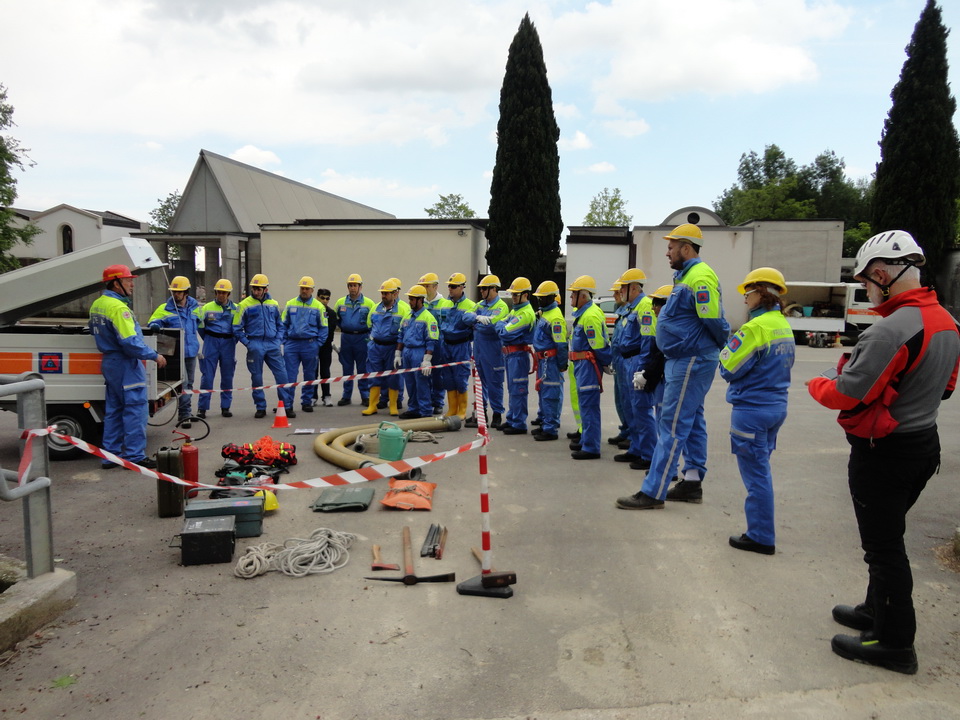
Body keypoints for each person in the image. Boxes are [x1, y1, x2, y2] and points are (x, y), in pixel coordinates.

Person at [807, 231, 959, 675]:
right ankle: (876, 611)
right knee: (888, 538)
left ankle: (894, 643)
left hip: (884, 456)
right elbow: (946, 389)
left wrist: (818, 383)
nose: (866, 290)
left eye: (865, 282)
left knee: (884, 548)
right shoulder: (948, 322)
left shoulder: (889, 331)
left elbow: (846, 395)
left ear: (881, 274)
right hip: (923, 446)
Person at [617, 223, 729, 508]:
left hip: (690, 359)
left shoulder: (699, 277)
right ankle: (691, 482)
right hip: (686, 358)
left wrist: (711, 347)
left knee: (672, 424)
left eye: (671, 247)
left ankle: (653, 491)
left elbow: (714, 320)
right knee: (692, 420)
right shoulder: (687, 277)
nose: (667, 252)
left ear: (686, 248)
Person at [718, 268, 795, 555]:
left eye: (748, 293)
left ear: (761, 293)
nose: (745, 299)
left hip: (752, 409)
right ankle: (761, 531)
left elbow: (728, 367)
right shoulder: (783, 325)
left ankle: (761, 536)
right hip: (776, 406)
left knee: (756, 476)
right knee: (761, 469)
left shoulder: (755, 328)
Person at [88, 264, 165, 469]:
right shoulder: (119, 308)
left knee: (114, 410)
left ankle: (110, 456)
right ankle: (134, 456)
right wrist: (154, 355)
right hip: (126, 364)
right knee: (135, 410)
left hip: (110, 363)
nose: (132, 284)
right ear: (116, 283)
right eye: (128, 280)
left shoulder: (97, 304)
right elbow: (130, 342)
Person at [610, 269, 655, 467]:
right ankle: (636, 448)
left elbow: (648, 338)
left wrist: (643, 367)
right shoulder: (631, 308)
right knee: (630, 407)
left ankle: (648, 455)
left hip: (637, 360)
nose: (620, 291)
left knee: (641, 409)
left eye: (623, 287)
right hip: (627, 360)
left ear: (634, 288)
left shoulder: (644, 306)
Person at [479, 277, 535, 434]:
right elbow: (500, 324)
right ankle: (512, 419)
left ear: (525, 295)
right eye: (512, 294)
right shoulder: (516, 310)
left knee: (518, 389)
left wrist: (501, 325)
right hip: (511, 355)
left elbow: (504, 331)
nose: (513, 297)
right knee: (512, 389)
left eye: (516, 294)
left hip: (518, 355)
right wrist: (501, 325)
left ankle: (519, 423)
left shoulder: (525, 313)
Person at [233, 273, 294, 418]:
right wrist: (248, 343)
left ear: (266, 289)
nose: (256, 292)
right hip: (255, 343)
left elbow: (280, 325)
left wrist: (278, 340)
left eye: (259, 289)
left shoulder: (273, 304)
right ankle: (260, 407)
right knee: (257, 377)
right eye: (254, 289)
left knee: (282, 375)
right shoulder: (244, 305)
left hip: (272, 343)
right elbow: (236, 327)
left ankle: (286, 406)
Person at [565, 275, 613, 459]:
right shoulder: (584, 314)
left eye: (574, 294)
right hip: (583, 365)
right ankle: (587, 440)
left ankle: (591, 447)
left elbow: (598, 345)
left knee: (589, 406)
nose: (571, 297)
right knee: (585, 405)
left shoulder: (590, 315)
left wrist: (604, 362)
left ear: (583, 296)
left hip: (588, 366)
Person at [148, 275, 201, 426]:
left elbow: (200, 324)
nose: (176, 294)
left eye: (179, 291)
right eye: (174, 291)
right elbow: (153, 322)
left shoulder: (195, 307)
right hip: (177, 354)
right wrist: (155, 325)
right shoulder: (165, 308)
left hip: (191, 352)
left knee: (190, 383)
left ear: (186, 292)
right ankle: (184, 415)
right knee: (184, 384)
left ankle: (186, 411)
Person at [466, 274, 508, 429]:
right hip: (479, 349)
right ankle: (481, 413)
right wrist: (477, 319)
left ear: (494, 289)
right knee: (479, 382)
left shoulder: (501, 307)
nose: (482, 291)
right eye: (481, 289)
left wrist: (476, 323)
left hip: (493, 349)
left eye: (484, 288)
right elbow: (465, 317)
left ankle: (497, 414)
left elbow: (490, 325)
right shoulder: (480, 305)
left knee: (494, 382)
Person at [282, 276, 329, 413]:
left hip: (310, 344)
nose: (304, 291)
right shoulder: (290, 304)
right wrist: (284, 341)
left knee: (309, 375)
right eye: (302, 288)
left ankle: (307, 401)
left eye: (307, 289)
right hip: (292, 344)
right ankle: (288, 403)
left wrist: (317, 344)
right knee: (290, 375)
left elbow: (324, 327)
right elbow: (283, 324)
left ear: (312, 290)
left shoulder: (318, 306)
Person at [364, 279, 409, 416]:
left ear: (395, 294)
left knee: (393, 377)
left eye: (386, 293)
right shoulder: (375, 308)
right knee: (374, 376)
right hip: (376, 347)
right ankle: (372, 405)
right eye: (382, 293)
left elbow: (405, 331)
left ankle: (393, 405)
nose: (383, 296)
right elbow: (369, 325)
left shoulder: (403, 310)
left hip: (392, 348)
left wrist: (399, 351)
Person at [530, 281, 567, 441]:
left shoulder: (555, 318)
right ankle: (546, 422)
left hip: (550, 361)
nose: (540, 300)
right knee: (544, 393)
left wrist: (561, 364)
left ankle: (550, 428)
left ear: (551, 297)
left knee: (551, 394)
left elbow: (561, 344)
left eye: (542, 298)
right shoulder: (546, 314)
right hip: (543, 360)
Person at [436, 272, 476, 419]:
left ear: (462, 287)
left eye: (453, 286)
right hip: (446, 344)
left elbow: (473, 329)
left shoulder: (471, 306)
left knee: (460, 378)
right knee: (448, 378)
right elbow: (441, 324)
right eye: (449, 286)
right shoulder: (444, 304)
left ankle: (462, 410)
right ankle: (452, 409)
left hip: (461, 346)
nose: (450, 289)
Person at [196, 278, 238, 419]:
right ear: (215, 293)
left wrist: (232, 340)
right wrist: (209, 339)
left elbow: (239, 327)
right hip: (211, 341)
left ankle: (225, 407)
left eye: (224, 293)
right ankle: (202, 408)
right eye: (219, 292)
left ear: (228, 294)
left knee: (227, 376)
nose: (221, 295)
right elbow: (200, 326)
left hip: (228, 343)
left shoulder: (236, 309)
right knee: (207, 377)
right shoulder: (207, 308)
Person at [397, 285, 440, 419]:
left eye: (412, 299)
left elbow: (431, 340)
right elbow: (401, 334)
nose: (410, 302)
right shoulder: (407, 315)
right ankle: (413, 408)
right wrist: (398, 353)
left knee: (422, 383)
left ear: (420, 300)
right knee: (410, 382)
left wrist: (426, 359)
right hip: (407, 352)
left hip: (419, 352)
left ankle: (425, 410)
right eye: (409, 299)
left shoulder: (428, 317)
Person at [333, 273, 375, 406]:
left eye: (355, 285)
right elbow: (335, 319)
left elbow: (374, 321)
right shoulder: (340, 302)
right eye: (350, 285)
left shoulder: (369, 303)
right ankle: (346, 396)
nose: (352, 288)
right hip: (346, 338)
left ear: (360, 287)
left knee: (363, 367)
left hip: (362, 338)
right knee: (347, 368)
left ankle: (365, 395)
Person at [420, 272, 452, 414]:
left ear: (435, 286)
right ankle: (426, 400)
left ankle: (438, 401)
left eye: (427, 286)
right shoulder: (421, 302)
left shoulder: (444, 304)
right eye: (422, 286)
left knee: (438, 374)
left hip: (438, 343)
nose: (424, 289)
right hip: (423, 342)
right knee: (424, 373)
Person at [607, 280, 631, 447]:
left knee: (628, 400)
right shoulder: (622, 313)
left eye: (617, 292)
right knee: (620, 399)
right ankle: (625, 430)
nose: (615, 295)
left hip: (627, 361)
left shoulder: (630, 311)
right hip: (618, 361)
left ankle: (632, 435)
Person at [316, 287, 338, 407]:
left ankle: (326, 395)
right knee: (313, 372)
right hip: (313, 345)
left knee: (325, 371)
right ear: (317, 297)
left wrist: (323, 341)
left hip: (326, 346)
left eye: (327, 298)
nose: (324, 300)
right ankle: (312, 396)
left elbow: (330, 330)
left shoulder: (331, 313)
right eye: (322, 298)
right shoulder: (313, 310)